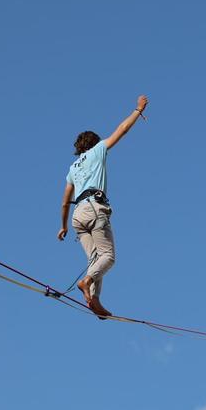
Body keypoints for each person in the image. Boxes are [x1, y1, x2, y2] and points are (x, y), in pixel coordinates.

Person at [57, 94, 149, 317]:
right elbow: (122, 130)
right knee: (108, 257)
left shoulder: (72, 168)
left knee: (95, 259)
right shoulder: (98, 150)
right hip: (94, 207)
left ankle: (95, 300)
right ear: (94, 143)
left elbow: (64, 200)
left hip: (77, 215)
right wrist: (138, 110)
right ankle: (87, 282)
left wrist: (63, 226)